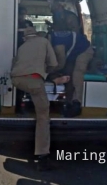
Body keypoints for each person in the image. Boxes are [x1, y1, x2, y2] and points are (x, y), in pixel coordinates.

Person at [10, 26, 69, 171]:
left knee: (27, 89)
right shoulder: (44, 41)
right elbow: (54, 64)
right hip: (34, 81)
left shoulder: (22, 47)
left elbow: (15, 64)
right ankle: (42, 157)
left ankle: (19, 109)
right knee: (43, 116)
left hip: (16, 80)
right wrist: (47, 72)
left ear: (25, 38)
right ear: (36, 35)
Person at [48, 25, 94, 106]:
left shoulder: (58, 45)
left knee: (77, 73)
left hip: (84, 50)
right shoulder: (52, 36)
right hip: (74, 51)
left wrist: (49, 72)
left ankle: (76, 101)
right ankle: (68, 96)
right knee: (68, 71)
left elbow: (61, 64)